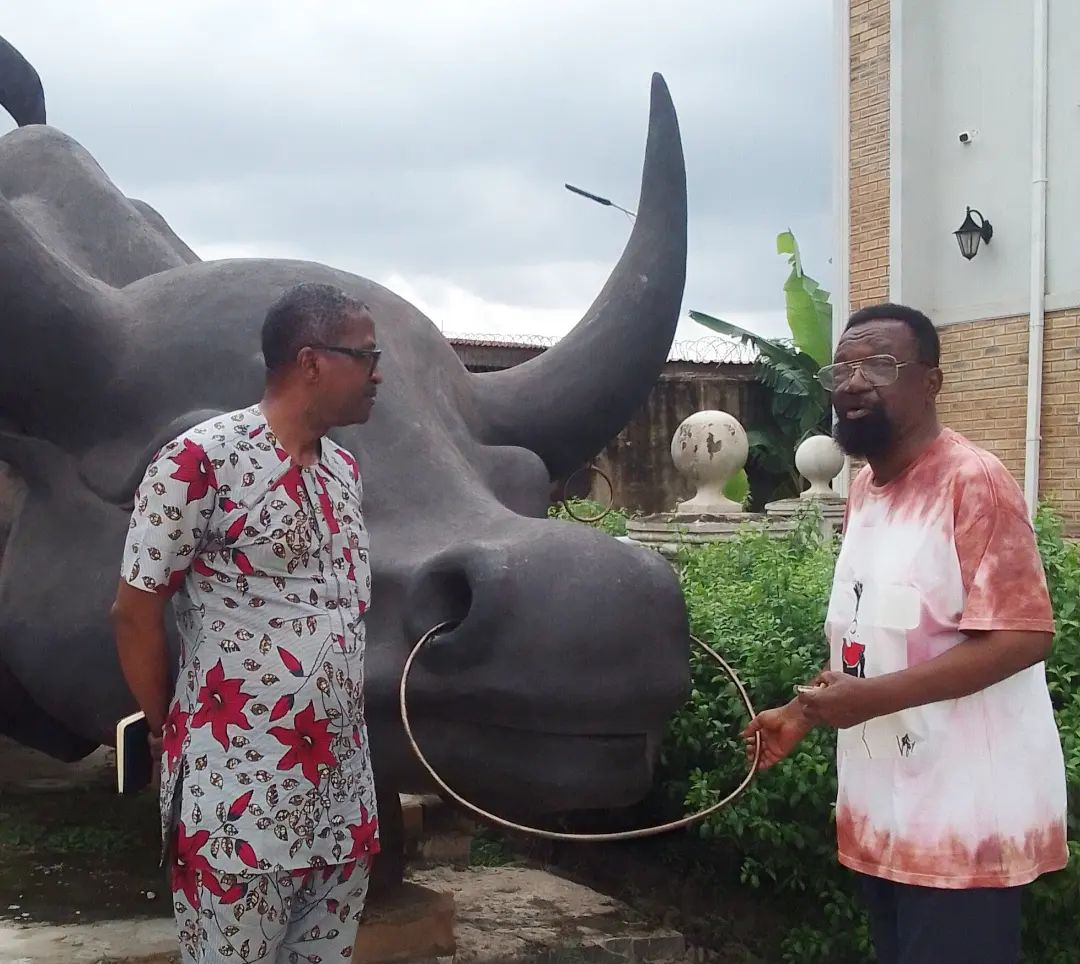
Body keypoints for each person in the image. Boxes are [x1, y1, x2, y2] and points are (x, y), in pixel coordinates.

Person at [741, 303, 1067, 964]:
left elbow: (1023, 635)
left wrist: (869, 701)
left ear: (931, 383)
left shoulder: (973, 482)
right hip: (886, 813)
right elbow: (877, 634)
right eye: (844, 368)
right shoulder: (866, 490)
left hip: (963, 820)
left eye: (880, 366)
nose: (855, 382)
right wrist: (807, 711)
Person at [112, 282, 384, 963]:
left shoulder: (343, 473)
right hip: (239, 801)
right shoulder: (199, 463)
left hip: (342, 798)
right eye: (366, 355)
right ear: (312, 361)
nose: (378, 373)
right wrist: (159, 726)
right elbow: (134, 609)